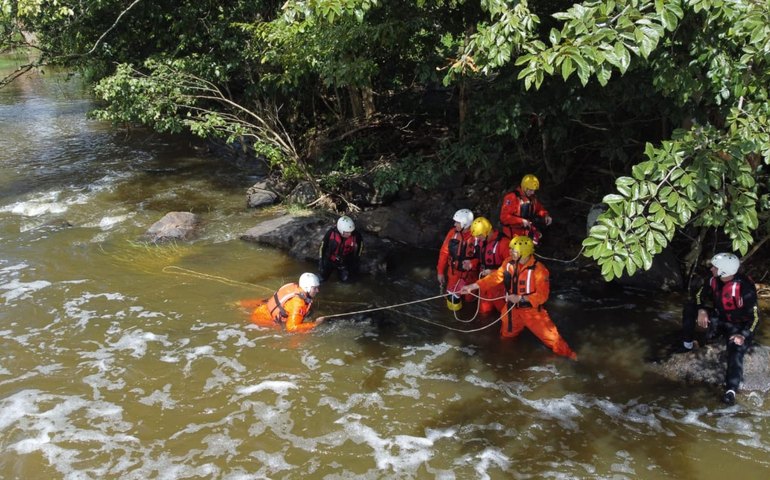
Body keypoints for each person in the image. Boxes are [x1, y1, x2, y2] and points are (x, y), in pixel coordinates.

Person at [460, 236, 577, 359]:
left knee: (553, 339)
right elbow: (495, 278)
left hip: (532, 312)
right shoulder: (508, 263)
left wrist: (522, 298)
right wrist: (472, 286)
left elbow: (542, 296)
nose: (510, 252)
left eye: (513, 250)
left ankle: (571, 356)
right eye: (510, 249)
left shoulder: (540, 270)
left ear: (524, 253)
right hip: (511, 311)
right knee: (506, 337)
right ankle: (507, 359)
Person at [674, 253, 760, 405]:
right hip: (720, 318)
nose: (712, 269)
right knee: (689, 308)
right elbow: (699, 295)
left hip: (738, 325)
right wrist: (701, 310)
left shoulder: (745, 287)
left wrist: (743, 335)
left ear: (724, 272)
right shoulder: (712, 279)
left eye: (715, 267)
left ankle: (731, 390)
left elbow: (755, 318)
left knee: (736, 348)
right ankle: (687, 345)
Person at [240, 272, 325, 332]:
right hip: (263, 321)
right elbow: (291, 328)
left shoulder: (292, 286)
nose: (318, 290)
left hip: (262, 310)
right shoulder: (298, 304)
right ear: (307, 288)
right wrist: (315, 324)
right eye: (315, 288)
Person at [437, 208, 480, 311]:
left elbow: (482, 257)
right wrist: (440, 272)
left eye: (457, 222)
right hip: (454, 274)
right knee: (452, 302)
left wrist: (472, 264)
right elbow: (444, 253)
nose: (455, 224)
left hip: (471, 276)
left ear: (465, 223)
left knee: (470, 301)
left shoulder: (477, 236)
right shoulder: (452, 233)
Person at [469, 216, 510, 314]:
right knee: (483, 313)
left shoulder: (504, 243)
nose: (477, 238)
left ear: (487, 232)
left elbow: (511, 268)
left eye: (479, 235)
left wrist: (492, 272)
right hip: (485, 284)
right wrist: (471, 264)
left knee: (504, 314)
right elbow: (479, 258)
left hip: (499, 286)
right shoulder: (481, 242)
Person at [499, 174, 552, 244]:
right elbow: (504, 217)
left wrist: (546, 215)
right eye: (531, 190)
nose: (533, 192)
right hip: (513, 235)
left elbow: (539, 209)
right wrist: (521, 221)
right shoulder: (512, 198)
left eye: (534, 190)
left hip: (527, 232)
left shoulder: (532, 198)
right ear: (524, 187)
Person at [319, 215, 363, 282]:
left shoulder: (356, 235)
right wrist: (321, 261)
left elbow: (361, 246)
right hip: (330, 260)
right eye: (347, 232)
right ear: (341, 230)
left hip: (344, 262)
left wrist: (357, 259)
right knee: (321, 279)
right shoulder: (331, 233)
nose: (350, 234)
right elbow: (322, 247)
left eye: (351, 231)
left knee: (346, 281)